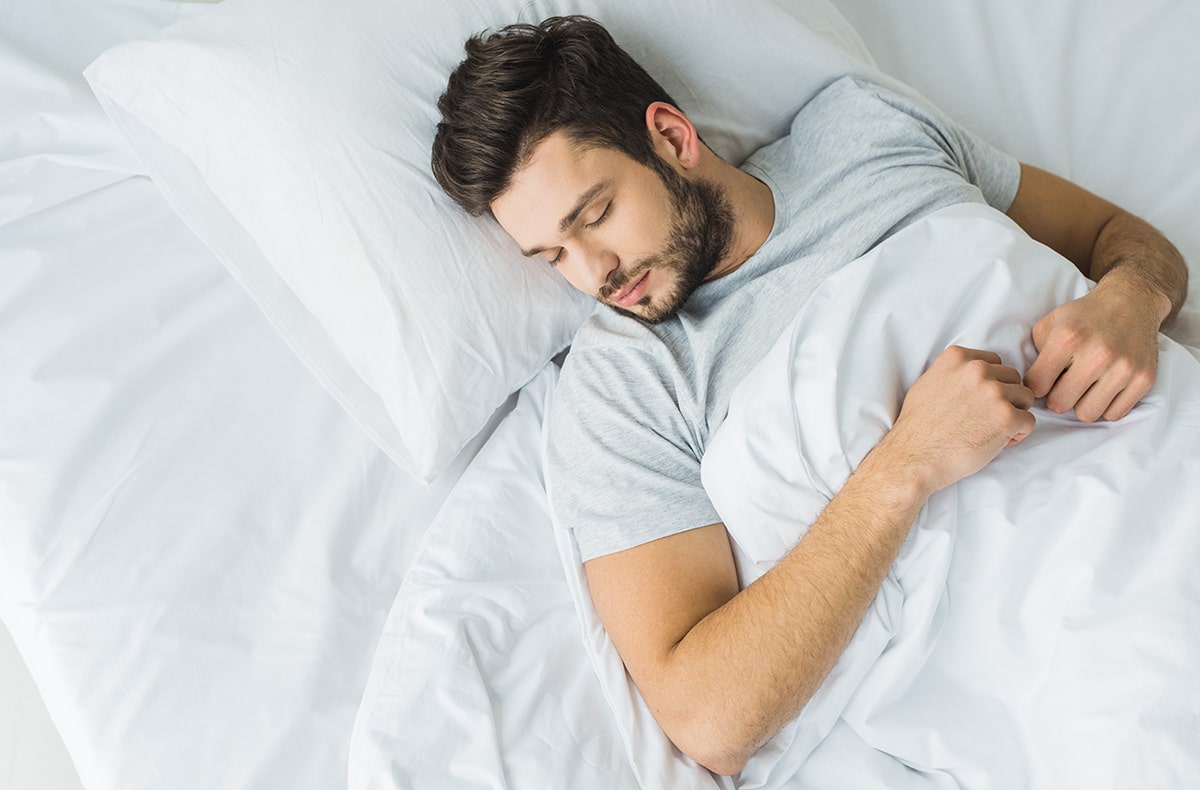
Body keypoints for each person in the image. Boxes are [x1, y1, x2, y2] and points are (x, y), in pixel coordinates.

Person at [431, 15, 1188, 776]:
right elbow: (707, 716)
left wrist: (1134, 298)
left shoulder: (867, 130)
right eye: (552, 255)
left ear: (669, 135)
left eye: (594, 215)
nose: (595, 271)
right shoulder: (623, 386)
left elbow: (1120, 238)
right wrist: (906, 464)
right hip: (1083, 640)